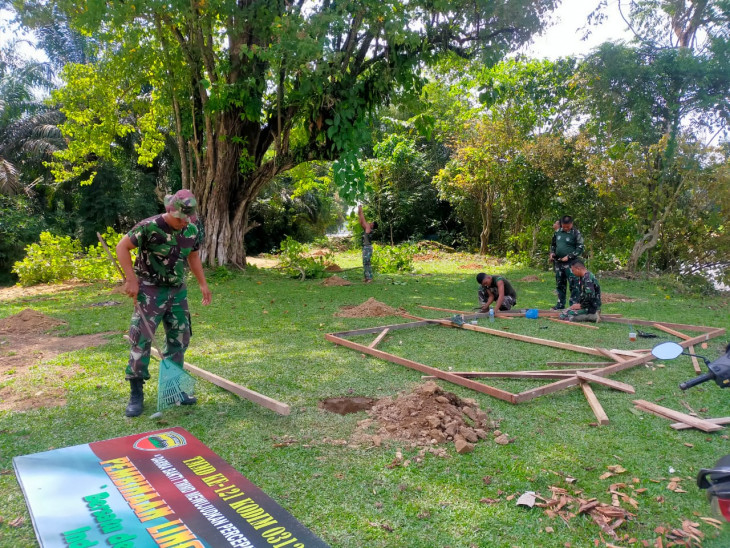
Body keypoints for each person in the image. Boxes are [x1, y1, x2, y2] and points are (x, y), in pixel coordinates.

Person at [116, 189, 212, 417]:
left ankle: (174, 389)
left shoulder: (191, 229)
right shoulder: (149, 226)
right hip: (149, 290)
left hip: (177, 292)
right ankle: (136, 393)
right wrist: (131, 279)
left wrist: (202, 284)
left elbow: (193, 256)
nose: (183, 223)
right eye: (180, 218)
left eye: (187, 219)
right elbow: (122, 247)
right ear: (170, 211)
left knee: (180, 337)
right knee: (141, 339)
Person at [549, 215, 585, 310]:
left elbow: (580, 248)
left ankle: (573, 305)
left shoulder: (576, 233)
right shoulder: (557, 232)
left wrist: (569, 256)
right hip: (558, 263)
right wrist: (552, 253)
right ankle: (560, 304)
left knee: (574, 284)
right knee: (560, 284)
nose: (565, 228)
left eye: (567, 226)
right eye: (564, 226)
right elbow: (553, 245)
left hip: (571, 263)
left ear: (571, 224)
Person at [358, 204, 376, 283]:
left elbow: (364, 220)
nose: (370, 222)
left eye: (371, 223)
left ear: (372, 225)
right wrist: (359, 211)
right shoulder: (367, 229)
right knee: (365, 262)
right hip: (366, 247)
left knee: (367, 262)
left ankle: (370, 278)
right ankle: (366, 277)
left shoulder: (369, 228)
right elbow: (361, 222)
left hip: (368, 248)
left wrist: (361, 210)